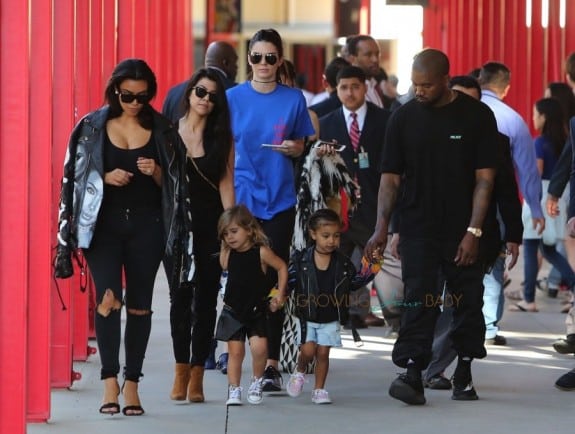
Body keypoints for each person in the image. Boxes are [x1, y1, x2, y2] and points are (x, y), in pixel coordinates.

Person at [365, 49, 500, 405]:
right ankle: (412, 371)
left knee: (467, 303)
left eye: (426, 85)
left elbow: (485, 180)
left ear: (445, 80)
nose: (419, 90)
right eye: (415, 84)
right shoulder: (403, 118)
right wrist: (382, 228)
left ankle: (465, 371)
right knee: (418, 299)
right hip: (418, 226)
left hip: (464, 230)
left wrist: (474, 232)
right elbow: (390, 179)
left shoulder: (477, 116)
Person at [54, 59, 185, 416]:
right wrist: (103, 178)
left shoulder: (162, 129)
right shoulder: (92, 127)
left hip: (149, 227)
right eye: (127, 95)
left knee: (141, 304)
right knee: (109, 299)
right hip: (104, 227)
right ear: (115, 91)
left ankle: (132, 385)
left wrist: (157, 172)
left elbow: (177, 187)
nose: (134, 103)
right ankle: (109, 381)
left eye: (142, 97)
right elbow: (72, 180)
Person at [225, 28, 315, 392]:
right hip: (244, 200)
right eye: (257, 57)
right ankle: (237, 354)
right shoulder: (232, 98)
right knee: (242, 278)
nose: (263, 64)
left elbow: (302, 142)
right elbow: (223, 151)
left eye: (271, 57)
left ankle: (273, 364)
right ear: (249, 59)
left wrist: (296, 148)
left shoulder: (294, 99)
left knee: (275, 280)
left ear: (280, 60)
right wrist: (227, 206)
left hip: (280, 199)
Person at [423, 75, 523, 389]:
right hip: (432, 233)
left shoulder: (497, 140)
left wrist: (514, 236)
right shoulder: (430, 134)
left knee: (461, 305)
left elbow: (506, 191)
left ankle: (443, 368)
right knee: (430, 303)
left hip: (478, 238)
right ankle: (427, 364)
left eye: (471, 100)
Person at [166, 68, 235, 403]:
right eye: (200, 92)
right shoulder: (169, 134)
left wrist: (230, 232)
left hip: (210, 229)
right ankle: (180, 373)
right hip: (178, 230)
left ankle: (197, 377)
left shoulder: (221, 139)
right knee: (179, 300)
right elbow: (163, 186)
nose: (205, 99)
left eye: (212, 95)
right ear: (189, 93)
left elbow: (226, 186)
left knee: (206, 301)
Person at [319, 65, 391, 328]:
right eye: (344, 87)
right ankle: (342, 312)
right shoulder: (326, 124)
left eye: (355, 87)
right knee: (337, 262)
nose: (350, 93)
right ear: (336, 90)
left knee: (375, 262)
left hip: (374, 204)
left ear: (365, 88)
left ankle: (390, 312)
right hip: (339, 208)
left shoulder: (385, 120)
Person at [286, 209, 374, 404]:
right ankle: (300, 371)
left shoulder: (343, 263)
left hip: (331, 316)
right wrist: (277, 296)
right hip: (308, 315)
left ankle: (319, 390)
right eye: (326, 236)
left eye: (336, 236)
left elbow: (354, 283)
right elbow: (289, 281)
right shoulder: (302, 260)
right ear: (313, 234)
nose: (331, 241)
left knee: (323, 353)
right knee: (308, 351)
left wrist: (372, 267)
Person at [216, 205, 288, 405]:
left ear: (249, 229)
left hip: (256, 310)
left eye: (233, 231)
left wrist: (279, 294)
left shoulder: (261, 252)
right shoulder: (229, 253)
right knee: (235, 352)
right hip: (233, 310)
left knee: (260, 349)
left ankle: (256, 382)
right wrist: (224, 245)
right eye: (225, 234)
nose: (230, 237)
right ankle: (234, 388)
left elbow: (282, 267)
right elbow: (223, 265)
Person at [510, 98, 575, 312]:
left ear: (544, 117)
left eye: (535, 114)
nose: (533, 118)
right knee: (548, 249)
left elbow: (535, 173)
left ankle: (528, 299)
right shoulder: (563, 139)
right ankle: (573, 287)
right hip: (559, 195)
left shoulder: (538, 143)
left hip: (539, 197)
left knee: (530, 246)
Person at [162, 41, 238, 123]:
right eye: (235, 63)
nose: (237, 67)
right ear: (226, 63)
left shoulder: (174, 93)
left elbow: (164, 130)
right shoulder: (237, 92)